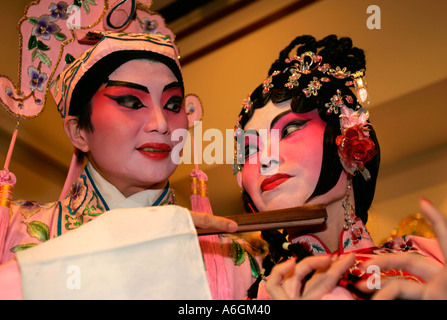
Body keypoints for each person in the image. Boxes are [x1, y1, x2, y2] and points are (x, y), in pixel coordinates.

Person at [0, 1, 258, 300]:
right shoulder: (12, 229)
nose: (161, 124)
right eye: (132, 103)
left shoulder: (233, 259)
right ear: (79, 132)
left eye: (173, 105)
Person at [233, 34, 447, 299]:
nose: (265, 158)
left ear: (349, 141)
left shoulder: (432, 263)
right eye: (249, 150)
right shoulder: (253, 298)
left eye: (289, 129)